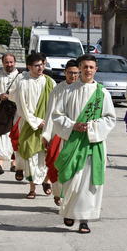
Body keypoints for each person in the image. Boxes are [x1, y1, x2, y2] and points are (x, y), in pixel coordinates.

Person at [53, 54, 116, 234]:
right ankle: (69, 211)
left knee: (88, 183)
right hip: (72, 141)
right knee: (71, 179)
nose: (88, 70)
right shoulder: (68, 91)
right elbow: (57, 116)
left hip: (93, 144)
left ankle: (84, 219)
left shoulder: (102, 93)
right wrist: (73, 126)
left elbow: (110, 119)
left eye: (91, 67)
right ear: (79, 68)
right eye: (85, 67)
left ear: (96, 69)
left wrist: (90, 127)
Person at [15, 52, 56, 199]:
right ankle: (32, 189)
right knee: (30, 156)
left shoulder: (50, 82)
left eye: (42, 64)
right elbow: (22, 107)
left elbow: (55, 106)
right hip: (29, 125)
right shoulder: (23, 83)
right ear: (29, 67)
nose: (40, 68)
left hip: (48, 125)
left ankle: (46, 180)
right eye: (37, 65)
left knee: (46, 156)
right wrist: (37, 122)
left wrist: (48, 122)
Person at [41, 59, 79, 206]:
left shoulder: (81, 89)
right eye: (70, 73)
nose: (73, 76)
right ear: (65, 73)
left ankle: (68, 196)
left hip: (75, 134)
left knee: (72, 167)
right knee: (56, 162)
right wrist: (46, 134)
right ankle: (57, 192)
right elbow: (50, 113)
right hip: (58, 132)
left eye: (76, 73)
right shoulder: (58, 89)